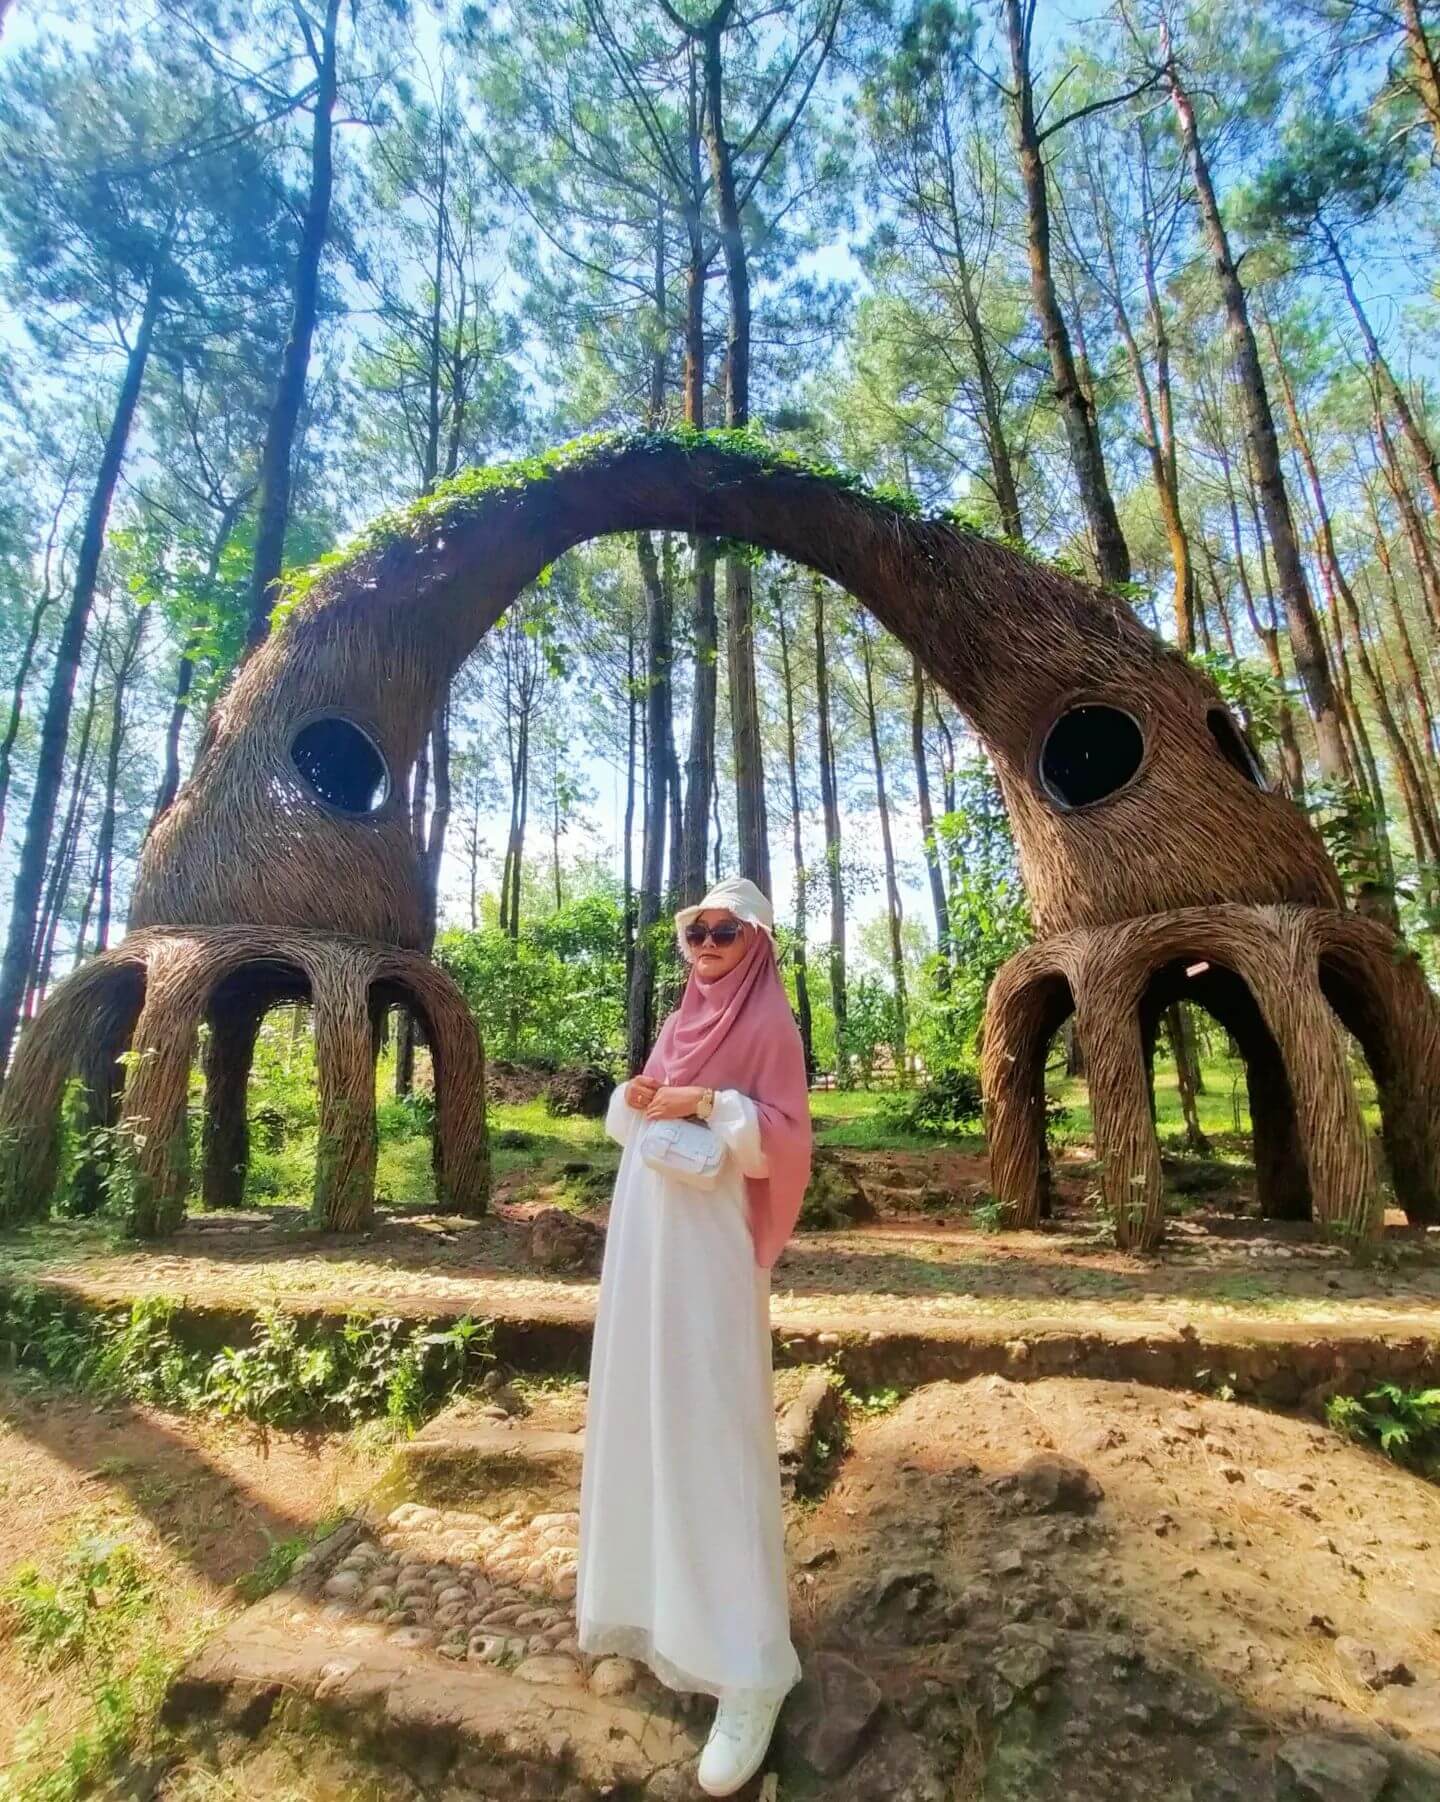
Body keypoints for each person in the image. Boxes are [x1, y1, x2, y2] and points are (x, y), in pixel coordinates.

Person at [575, 875, 814, 1797]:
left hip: (713, 1253)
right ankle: (654, 1615)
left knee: (715, 1427)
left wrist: (708, 1103)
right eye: (696, 933)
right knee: (644, 1409)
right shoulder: (679, 1023)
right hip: (645, 1244)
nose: (707, 945)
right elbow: (621, 1127)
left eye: (723, 932)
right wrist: (641, 1096)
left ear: (753, 941)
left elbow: (783, 1142)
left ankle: (751, 1670)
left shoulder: (770, 1028)